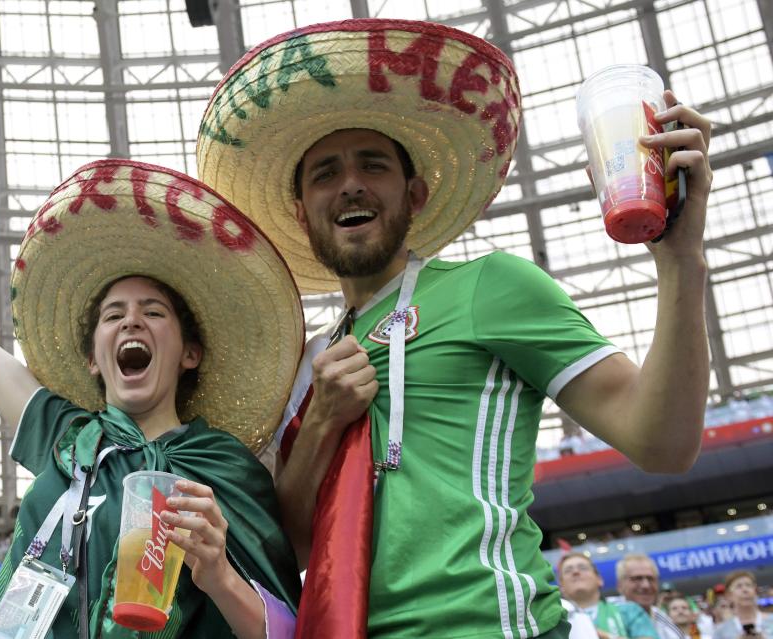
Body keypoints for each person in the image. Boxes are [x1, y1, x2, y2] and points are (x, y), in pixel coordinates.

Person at [197, 17, 713, 638]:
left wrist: (680, 259)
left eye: (373, 165)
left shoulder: (491, 287)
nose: (351, 182)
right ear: (301, 213)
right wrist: (323, 422)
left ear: (414, 194)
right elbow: (296, 549)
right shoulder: (306, 364)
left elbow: (664, 444)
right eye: (325, 173)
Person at [0, 160, 303, 638]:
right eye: (113, 316)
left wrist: (218, 575)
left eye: (152, 312)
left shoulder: (229, 469)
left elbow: (284, 632)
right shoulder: (67, 435)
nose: (131, 321)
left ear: (189, 352)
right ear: (94, 358)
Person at [557, 553, 656, 639]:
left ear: (599, 579)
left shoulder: (628, 610)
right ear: (561, 586)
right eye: (568, 570)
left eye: (583, 568)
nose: (575, 572)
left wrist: (605, 636)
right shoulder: (555, 620)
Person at [617, 553, 684, 639]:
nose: (646, 585)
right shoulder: (608, 617)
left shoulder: (665, 621)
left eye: (651, 579)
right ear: (620, 585)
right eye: (637, 578)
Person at [714, 571, 773, 638]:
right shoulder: (722, 631)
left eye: (748, 585)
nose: (745, 590)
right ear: (729, 595)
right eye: (738, 586)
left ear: (755, 591)